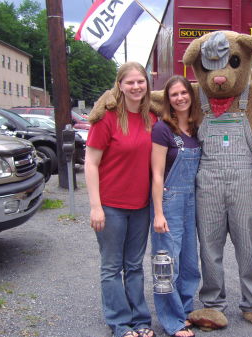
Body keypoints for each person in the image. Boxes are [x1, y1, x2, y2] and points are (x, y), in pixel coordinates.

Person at [85, 62, 156, 337]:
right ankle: (119, 323)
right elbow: (90, 163)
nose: (136, 86)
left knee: (135, 266)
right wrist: (95, 206)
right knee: (112, 266)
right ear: (120, 85)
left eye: (141, 81)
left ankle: (140, 320)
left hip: (141, 206)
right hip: (111, 206)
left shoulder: (152, 117)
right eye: (130, 82)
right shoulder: (107, 118)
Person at [150, 75, 200, 337]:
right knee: (166, 262)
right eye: (174, 94)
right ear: (167, 100)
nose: (180, 98)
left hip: (191, 201)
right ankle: (171, 320)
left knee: (190, 262)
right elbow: (157, 174)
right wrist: (158, 212)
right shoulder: (162, 129)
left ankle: (185, 308)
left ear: (191, 95)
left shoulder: (195, 128)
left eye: (184, 93)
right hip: (169, 201)